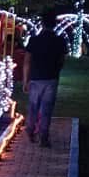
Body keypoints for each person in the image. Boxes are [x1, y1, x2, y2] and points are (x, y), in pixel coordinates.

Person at [23, 10, 68, 147]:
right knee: (46, 109)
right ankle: (43, 136)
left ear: (42, 24)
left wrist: (25, 80)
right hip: (51, 79)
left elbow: (27, 61)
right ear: (54, 24)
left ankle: (30, 130)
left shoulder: (34, 40)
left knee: (33, 106)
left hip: (35, 78)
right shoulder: (60, 41)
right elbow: (62, 60)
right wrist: (56, 70)